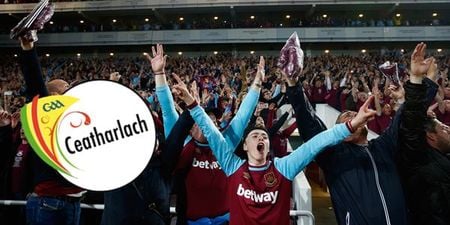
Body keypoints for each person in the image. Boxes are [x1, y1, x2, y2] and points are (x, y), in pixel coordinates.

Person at [172, 74, 376, 225]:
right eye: (254, 136)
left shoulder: (283, 168)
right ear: (244, 145)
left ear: (269, 145)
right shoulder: (232, 166)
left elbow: (317, 143)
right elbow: (211, 131)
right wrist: (191, 103)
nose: (261, 137)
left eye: (264, 136)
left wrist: (350, 125)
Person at [283, 52, 438, 225]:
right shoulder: (334, 156)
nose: (354, 116)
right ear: (341, 132)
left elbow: (408, 118)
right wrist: (293, 84)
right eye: (347, 117)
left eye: (355, 114)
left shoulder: (384, 145)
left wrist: (419, 81)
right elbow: (309, 124)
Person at [147, 44, 263, 225]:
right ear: (191, 127)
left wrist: (256, 85)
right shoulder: (182, 143)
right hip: (191, 221)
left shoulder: (225, 144)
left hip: (225, 220)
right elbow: (168, 110)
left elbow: (243, 115)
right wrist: (159, 74)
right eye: (204, 122)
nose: (211, 125)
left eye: (214, 122)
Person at [18, 37, 84, 225]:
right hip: (48, 201)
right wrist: (28, 48)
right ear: (54, 96)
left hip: (73, 201)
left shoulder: (74, 120)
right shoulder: (45, 117)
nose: (72, 90)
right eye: (67, 88)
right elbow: (34, 82)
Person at [397, 42, 450, 225]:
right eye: (443, 128)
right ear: (431, 136)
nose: (448, 129)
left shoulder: (444, 155)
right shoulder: (420, 160)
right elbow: (412, 120)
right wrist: (418, 79)